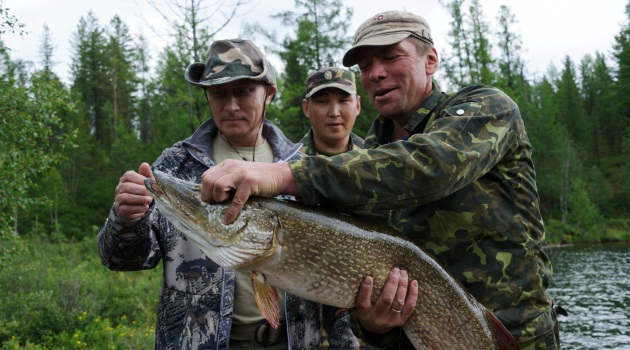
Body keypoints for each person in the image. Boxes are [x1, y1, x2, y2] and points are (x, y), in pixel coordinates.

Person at [198, 11, 562, 350]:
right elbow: (357, 289)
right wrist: (373, 326)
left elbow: (427, 167)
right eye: (366, 65)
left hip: (512, 333)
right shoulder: (361, 159)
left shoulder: (486, 109)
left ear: (430, 59)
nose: (375, 73)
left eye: (390, 58)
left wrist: (282, 173)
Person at [97, 39, 360, 350]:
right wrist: (126, 220)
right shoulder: (175, 165)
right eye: (219, 93)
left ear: (269, 94)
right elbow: (122, 259)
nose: (231, 105)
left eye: (244, 91)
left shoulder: (303, 170)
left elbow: (336, 290)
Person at [299, 66, 364, 156]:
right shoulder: (286, 163)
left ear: (357, 105)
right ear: (306, 108)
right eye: (323, 101)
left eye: (343, 101)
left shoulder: (375, 158)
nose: (334, 113)